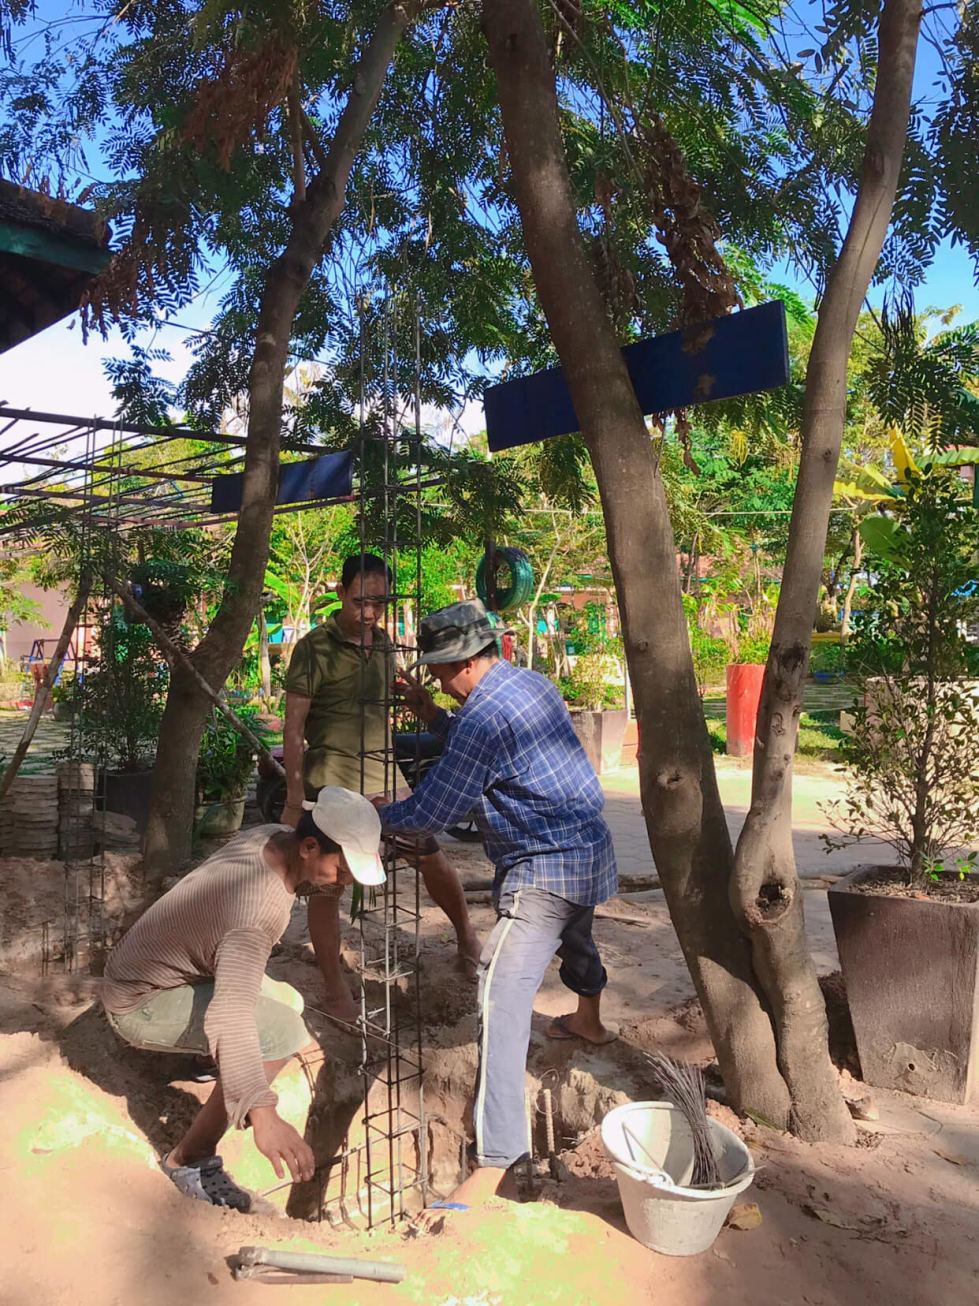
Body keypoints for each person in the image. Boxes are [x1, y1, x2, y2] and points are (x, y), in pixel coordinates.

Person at [375, 599, 618, 1230]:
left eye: (435, 674)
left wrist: (373, 816)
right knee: (578, 938)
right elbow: (491, 744)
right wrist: (431, 717)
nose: (433, 682)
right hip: (589, 853)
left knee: (500, 994)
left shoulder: (481, 717)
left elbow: (435, 810)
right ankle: (589, 1020)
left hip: (542, 870)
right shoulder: (528, 682)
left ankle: (496, 1158)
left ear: (458, 664)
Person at [101, 787, 385, 1213]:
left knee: (288, 1001)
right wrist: (262, 1110)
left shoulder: (270, 836)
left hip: (148, 969)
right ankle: (190, 1158)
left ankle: (207, 1065)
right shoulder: (255, 915)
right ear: (310, 847)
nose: (344, 882)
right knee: (284, 1031)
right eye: (341, 869)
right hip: (138, 1001)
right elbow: (230, 1015)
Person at [281, 553, 479, 1021]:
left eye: (379, 603)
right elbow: (293, 729)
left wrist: (417, 701)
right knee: (327, 886)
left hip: (386, 780)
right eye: (360, 601)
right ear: (339, 593)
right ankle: (334, 987)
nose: (369, 613)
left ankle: (467, 935)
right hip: (333, 787)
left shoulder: (386, 642)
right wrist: (293, 800)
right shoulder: (314, 647)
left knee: (431, 855)